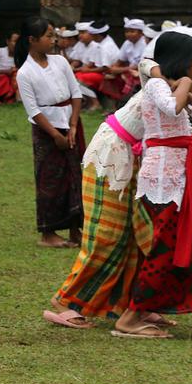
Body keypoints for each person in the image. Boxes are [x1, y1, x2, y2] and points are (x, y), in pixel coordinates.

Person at [42, 58, 179, 333]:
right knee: (107, 234)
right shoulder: (158, 84)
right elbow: (145, 62)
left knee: (139, 234)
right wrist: (172, 79)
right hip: (110, 158)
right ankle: (66, 302)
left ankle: (135, 305)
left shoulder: (180, 102)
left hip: (135, 161)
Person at [125, 29, 192, 338]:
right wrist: (182, 83)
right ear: (183, 61)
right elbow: (171, 108)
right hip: (163, 181)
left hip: (177, 176)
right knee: (164, 250)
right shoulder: (156, 83)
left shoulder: (165, 84)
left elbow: (173, 134)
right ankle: (129, 319)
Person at [15, 15, 84, 250]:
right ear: (32, 40)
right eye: (48, 36)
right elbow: (33, 110)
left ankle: (76, 229)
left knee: (76, 175)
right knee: (50, 180)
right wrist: (55, 135)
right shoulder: (25, 73)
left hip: (71, 124)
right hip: (47, 131)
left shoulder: (60, 62)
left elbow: (75, 93)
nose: (52, 40)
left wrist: (73, 125)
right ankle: (48, 232)